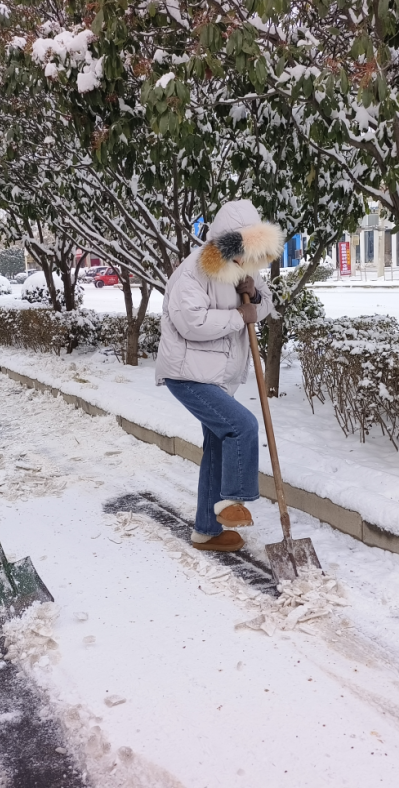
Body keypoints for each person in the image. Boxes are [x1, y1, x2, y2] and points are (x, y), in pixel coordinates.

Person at [155, 200, 281, 552]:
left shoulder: (242, 269)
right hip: (187, 374)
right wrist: (240, 317)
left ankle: (205, 531)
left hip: (215, 376)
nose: (246, 256)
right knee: (241, 426)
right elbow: (191, 322)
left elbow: (263, 307)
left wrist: (255, 297)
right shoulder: (195, 271)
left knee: (217, 445)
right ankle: (232, 503)